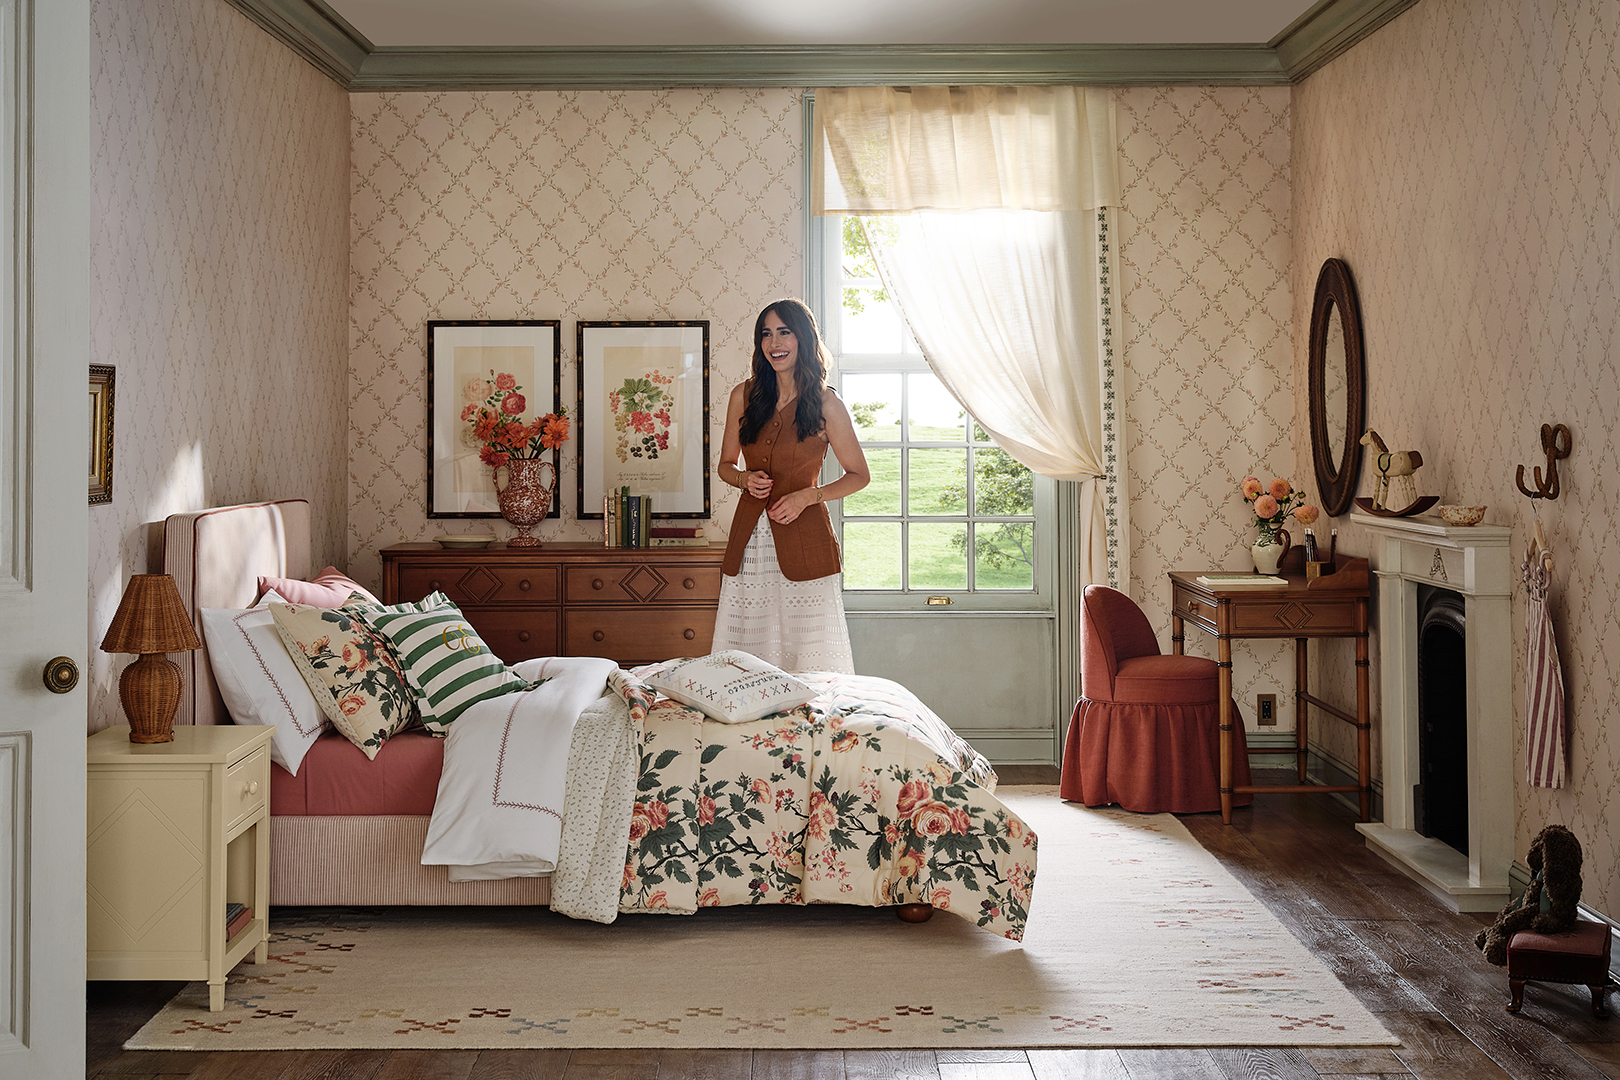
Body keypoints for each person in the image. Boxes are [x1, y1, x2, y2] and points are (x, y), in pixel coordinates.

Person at [713, 299, 870, 673]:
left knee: (809, 653)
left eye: (784, 331)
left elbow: (859, 475)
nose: (774, 342)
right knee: (746, 653)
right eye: (766, 334)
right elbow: (724, 465)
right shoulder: (744, 395)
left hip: (806, 538)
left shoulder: (827, 405)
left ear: (803, 337)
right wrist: (743, 478)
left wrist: (808, 496)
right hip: (750, 540)